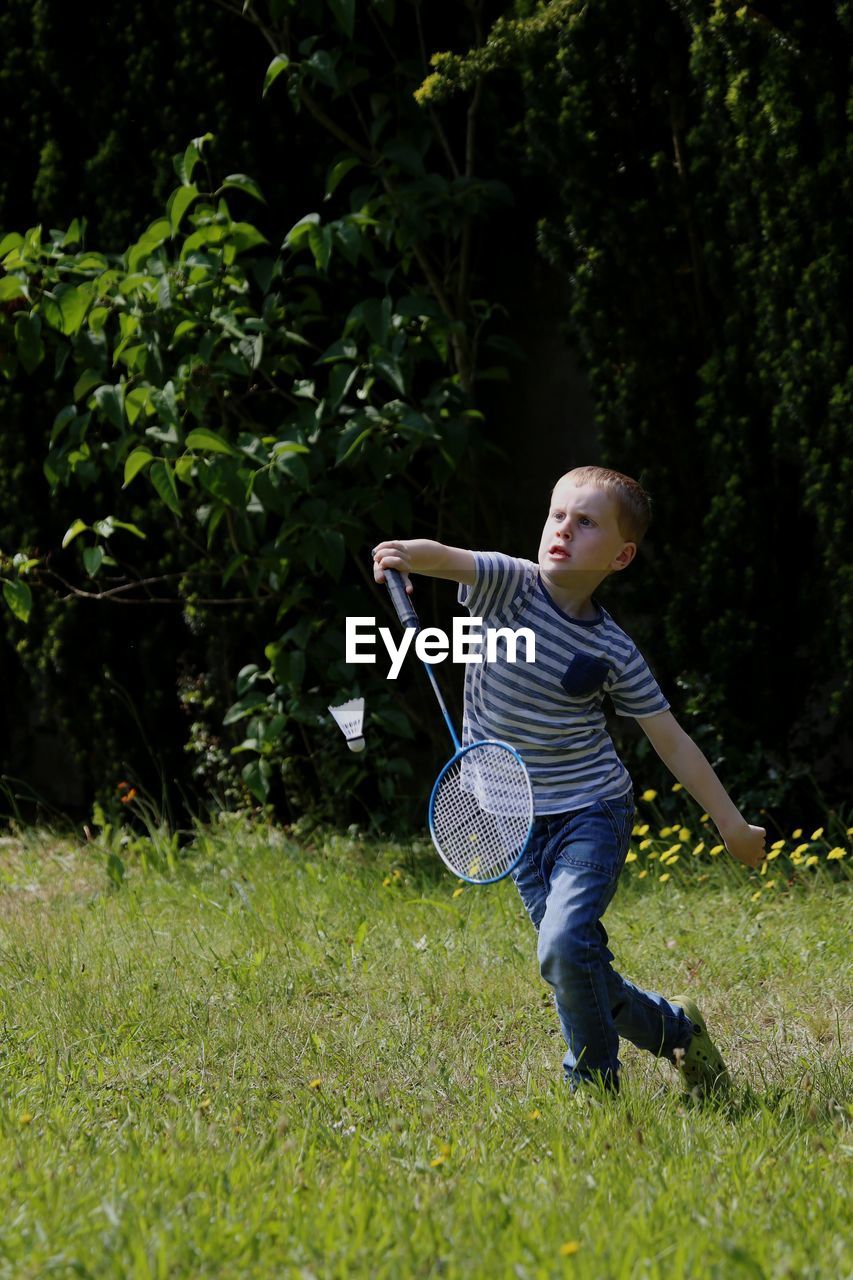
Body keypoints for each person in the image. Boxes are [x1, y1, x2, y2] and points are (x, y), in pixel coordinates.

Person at [372, 465, 766, 1096]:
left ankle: (592, 1083)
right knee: (573, 964)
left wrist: (731, 824)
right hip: (516, 818)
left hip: (590, 812)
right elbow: (446, 558)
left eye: (586, 523)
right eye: (557, 515)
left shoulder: (613, 650)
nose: (563, 530)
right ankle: (681, 1036)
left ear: (620, 555)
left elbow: (671, 739)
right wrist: (401, 556)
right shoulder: (509, 584)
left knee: (562, 944)